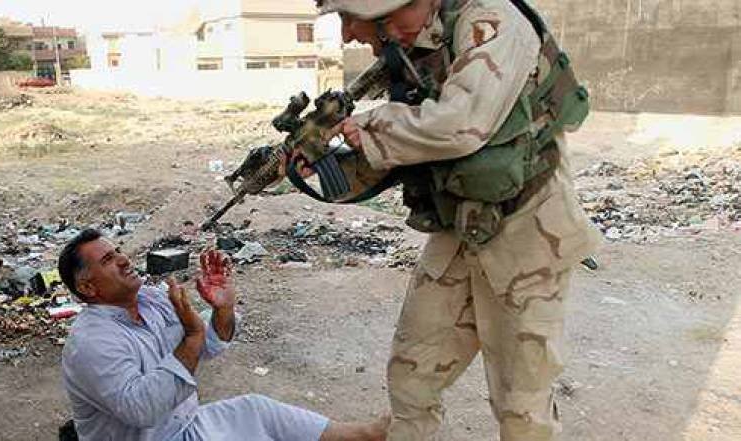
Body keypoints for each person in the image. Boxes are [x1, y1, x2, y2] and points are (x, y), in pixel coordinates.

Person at [295, 1, 603, 440]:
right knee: (412, 375)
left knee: (522, 406)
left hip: (529, 232)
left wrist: (373, 128)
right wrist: (322, 166)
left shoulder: (492, 20)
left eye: (351, 17)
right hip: (460, 227)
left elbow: (461, 125)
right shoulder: (417, 47)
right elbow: (409, 149)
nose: (348, 35)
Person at [57, 229, 388, 441]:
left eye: (118, 251)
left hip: (187, 427)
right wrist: (192, 334)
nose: (123, 260)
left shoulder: (150, 299)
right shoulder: (90, 343)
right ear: (88, 287)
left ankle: (362, 435)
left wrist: (222, 309)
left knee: (257, 411)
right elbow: (143, 409)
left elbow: (207, 345)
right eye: (108, 260)